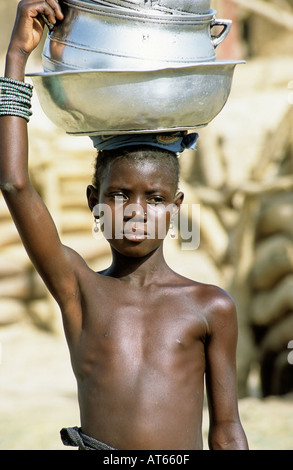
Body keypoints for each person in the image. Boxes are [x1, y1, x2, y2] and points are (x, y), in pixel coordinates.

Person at [0, 0, 249, 451]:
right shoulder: (80, 291)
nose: (136, 211)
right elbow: (15, 184)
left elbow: (227, 429)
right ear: (94, 202)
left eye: (154, 199)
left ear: (175, 207)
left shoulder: (211, 307)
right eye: (119, 195)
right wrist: (17, 56)